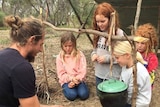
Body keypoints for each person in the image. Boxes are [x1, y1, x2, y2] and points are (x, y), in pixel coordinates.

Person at [0, 15, 63, 107]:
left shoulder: (2, 56)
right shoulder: (21, 68)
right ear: (32, 40)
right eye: (41, 44)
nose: (41, 50)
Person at [91, 2, 124, 89]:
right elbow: (94, 49)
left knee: (112, 99)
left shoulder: (118, 34)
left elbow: (123, 55)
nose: (100, 24)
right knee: (102, 97)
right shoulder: (97, 33)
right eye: (97, 21)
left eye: (103, 21)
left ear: (110, 19)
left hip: (113, 75)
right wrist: (93, 54)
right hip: (99, 74)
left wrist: (107, 58)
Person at [113, 41, 152, 107]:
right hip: (127, 100)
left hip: (137, 104)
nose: (116, 60)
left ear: (127, 55)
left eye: (117, 57)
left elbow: (130, 95)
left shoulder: (138, 72)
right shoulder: (125, 66)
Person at [56, 32, 89, 101]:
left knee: (83, 95)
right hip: (67, 81)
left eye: (70, 46)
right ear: (62, 45)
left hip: (79, 80)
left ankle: (80, 88)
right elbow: (61, 74)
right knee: (72, 95)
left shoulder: (80, 55)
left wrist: (76, 80)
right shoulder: (60, 57)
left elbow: (83, 71)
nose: (68, 48)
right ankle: (67, 89)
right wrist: (71, 79)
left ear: (74, 45)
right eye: (65, 46)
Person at [134, 23, 159, 87]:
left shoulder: (152, 58)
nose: (139, 46)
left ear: (149, 44)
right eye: (137, 42)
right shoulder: (133, 53)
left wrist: (143, 62)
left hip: (145, 90)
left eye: (143, 43)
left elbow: (150, 77)